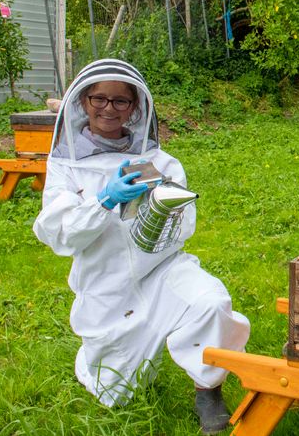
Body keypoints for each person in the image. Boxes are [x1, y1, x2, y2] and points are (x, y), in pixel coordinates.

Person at [33, 59, 250, 434]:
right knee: (113, 391)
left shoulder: (161, 162)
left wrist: (154, 207)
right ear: (83, 102)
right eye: (99, 99)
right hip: (105, 282)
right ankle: (104, 363)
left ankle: (208, 391)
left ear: (135, 108)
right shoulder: (66, 167)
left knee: (210, 303)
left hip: (163, 270)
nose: (108, 109)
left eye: (121, 101)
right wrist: (104, 201)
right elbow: (59, 233)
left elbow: (184, 224)